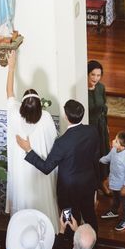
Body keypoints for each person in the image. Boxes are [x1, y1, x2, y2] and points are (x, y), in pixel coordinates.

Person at [17, 99, 100, 232]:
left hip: (68, 192)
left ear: (66, 117)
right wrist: (96, 188)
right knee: (90, 216)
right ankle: (93, 245)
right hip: (88, 184)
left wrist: (28, 150)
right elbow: (96, 159)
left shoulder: (62, 143)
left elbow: (46, 168)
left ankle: (69, 245)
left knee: (68, 220)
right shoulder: (92, 131)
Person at [5, 51, 59, 231]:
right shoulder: (45, 118)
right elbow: (53, 143)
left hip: (22, 171)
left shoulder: (14, 115)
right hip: (40, 169)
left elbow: (9, 92)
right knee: (42, 199)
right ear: (39, 107)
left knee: (25, 199)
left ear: (22, 107)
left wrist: (11, 67)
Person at [99, 131, 125, 231]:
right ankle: (114, 211)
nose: (113, 141)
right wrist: (99, 160)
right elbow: (108, 158)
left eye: (116, 141)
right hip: (114, 180)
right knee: (115, 197)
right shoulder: (114, 149)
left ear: (122, 146)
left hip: (123, 185)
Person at [87, 60, 111, 196]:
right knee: (92, 155)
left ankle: (103, 181)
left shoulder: (101, 88)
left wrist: (106, 125)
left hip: (101, 125)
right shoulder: (81, 90)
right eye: (92, 75)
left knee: (103, 153)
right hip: (90, 127)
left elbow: (104, 108)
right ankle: (93, 183)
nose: (95, 78)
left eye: (98, 75)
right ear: (87, 74)